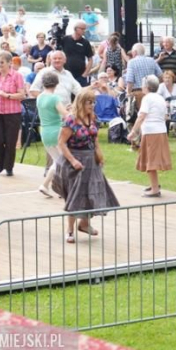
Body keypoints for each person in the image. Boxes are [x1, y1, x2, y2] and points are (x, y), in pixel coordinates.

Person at [56, 88, 119, 243]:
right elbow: (61, 143)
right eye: (89, 102)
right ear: (81, 103)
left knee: (92, 192)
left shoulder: (93, 118)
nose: (92, 105)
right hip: (74, 159)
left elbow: (95, 140)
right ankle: (69, 230)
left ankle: (84, 223)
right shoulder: (71, 120)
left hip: (90, 159)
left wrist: (99, 156)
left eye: (93, 102)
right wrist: (73, 161)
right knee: (75, 196)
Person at [126, 75, 172, 197]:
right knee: (151, 160)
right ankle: (154, 184)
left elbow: (141, 116)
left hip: (152, 132)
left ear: (146, 86)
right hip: (160, 131)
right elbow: (165, 116)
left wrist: (133, 132)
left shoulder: (147, 99)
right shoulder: (160, 98)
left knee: (151, 161)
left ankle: (155, 189)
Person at [0, 53, 25, 176]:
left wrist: (7, 95)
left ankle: (9, 167)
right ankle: (0, 164)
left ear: (10, 63)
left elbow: (22, 95)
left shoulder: (17, 76)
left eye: (2, 62)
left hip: (12, 112)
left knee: (10, 140)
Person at [36, 71, 68, 198]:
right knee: (63, 160)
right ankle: (60, 187)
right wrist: (70, 111)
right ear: (56, 84)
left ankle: (46, 185)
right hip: (56, 131)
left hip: (44, 132)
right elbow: (64, 114)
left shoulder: (39, 97)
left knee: (57, 160)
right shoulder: (55, 98)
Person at [60, 20, 94, 87]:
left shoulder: (85, 42)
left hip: (80, 75)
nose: (84, 31)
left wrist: (85, 74)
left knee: (81, 95)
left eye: (85, 29)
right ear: (76, 28)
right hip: (66, 73)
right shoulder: (65, 39)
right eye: (82, 29)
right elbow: (56, 50)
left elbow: (90, 59)